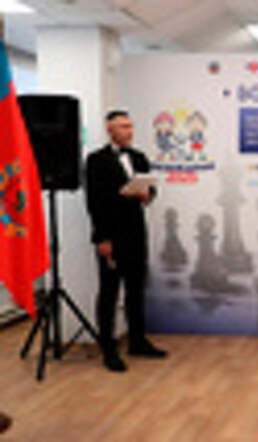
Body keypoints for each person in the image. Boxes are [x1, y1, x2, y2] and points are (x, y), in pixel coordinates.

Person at [86, 110, 167, 372]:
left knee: (136, 290)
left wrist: (147, 195)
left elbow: (151, 190)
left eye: (130, 126)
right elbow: (94, 202)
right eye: (123, 126)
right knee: (109, 292)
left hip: (136, 233)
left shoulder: (139, 157)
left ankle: (137, 341)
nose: (129, 131)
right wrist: (102, 238)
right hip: (111, 235)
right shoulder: (96, 160)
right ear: (110, 130)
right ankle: (108, 349)